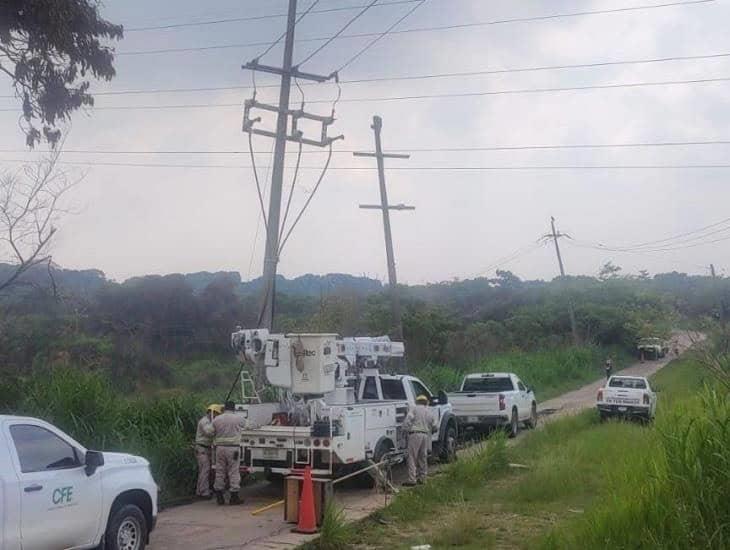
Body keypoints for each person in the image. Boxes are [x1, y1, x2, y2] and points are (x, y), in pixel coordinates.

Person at [212, 400, 246, 505]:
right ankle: (234, 497)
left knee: (220, 471)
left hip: (220, 448)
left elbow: (209, 431)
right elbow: (249, 425)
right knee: (233, 471)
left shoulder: (217, 419)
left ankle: (219, 497)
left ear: (224, 408)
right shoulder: (238, 418)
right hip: (233, 449)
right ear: (234, 408)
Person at [402, 395, 438, 487]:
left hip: (415, 434)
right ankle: (423, 478)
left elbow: (408, 420)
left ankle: (412, 479)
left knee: (412, 457)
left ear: (417, 402)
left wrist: (405, 430)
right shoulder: (429, 412)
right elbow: (435, 427)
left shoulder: (414, 409)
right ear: (426, 402)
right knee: (423, 457)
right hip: (425, 435)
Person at [195, 404, 222, 499]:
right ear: (212, 412)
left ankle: (200, 491)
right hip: (202, 449)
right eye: (216, 414)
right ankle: (204, 492)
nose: (217, 416)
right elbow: (209, 432)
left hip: (205, 449)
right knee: (205, 470)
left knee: (203, 471)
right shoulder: (205, 422)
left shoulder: (209, 421)